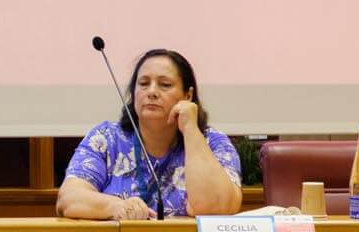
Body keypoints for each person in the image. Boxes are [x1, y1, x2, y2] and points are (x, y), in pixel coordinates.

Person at [57, 47, 242, 220]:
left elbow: (216, 208)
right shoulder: (106, 138)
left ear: (188, 95)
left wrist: (191, 130)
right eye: (144, 84)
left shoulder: (213, 143)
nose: (152, 92)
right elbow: (68, 199)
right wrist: (115, 206)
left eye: (165, 84)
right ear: (133, 93)